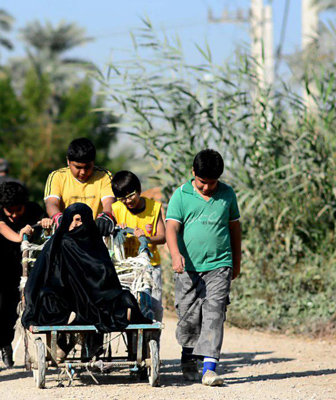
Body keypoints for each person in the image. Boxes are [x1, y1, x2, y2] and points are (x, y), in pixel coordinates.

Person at [22, 203, 150, 359]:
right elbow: (40, 274)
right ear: (67, 221)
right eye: (75, 220)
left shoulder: (95, 244)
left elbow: (106, 275)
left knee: (125, 299)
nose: (78, 224)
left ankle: (101, 346)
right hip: (65, 294)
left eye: (82, 220)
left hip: (96, 295)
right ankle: (62, 344)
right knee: (47, 296)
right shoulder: (58, 243)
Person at [165, 149, 241, 387]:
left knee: (215, 312)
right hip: (187, 268)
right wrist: (175, 255)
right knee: (188, 317)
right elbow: (171, 228)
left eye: (212, 183)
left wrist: (236, 262)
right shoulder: (181, 195)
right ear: (193, 173)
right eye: (202, 182)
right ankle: (188, 357)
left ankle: (209, 368)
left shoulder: (228, 194)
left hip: (220, 264)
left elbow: (235, 230)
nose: (207, 187)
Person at [0, 182, 52, 373]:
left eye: (17, 210)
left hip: (20, 270)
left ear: (25, 204)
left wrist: (45, 223)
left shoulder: (33, 210)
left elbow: (46, 229)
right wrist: (20, 236)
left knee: (13, 312)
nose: (13, 215)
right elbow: (3, 228)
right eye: (9, 211)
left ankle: (5, 343)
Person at [111, 171, 166, 324]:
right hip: (126, 267)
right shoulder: (116, 209)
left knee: (154, 307)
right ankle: (133, 344)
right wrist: (116, 228)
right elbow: (108, 233)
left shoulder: (154, 208)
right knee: (128, 308)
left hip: (150, 266)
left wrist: (145, 238)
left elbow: (162, 236)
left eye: (130, 196)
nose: (128, 201)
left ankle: (152, 342)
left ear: (139, 190)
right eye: (122, 198)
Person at [43, 137, 116, 235]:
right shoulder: (57, 176)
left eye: (87, 167)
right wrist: (58, 217)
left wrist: (106, 215)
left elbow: (109, 203)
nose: (83, 172)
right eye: (78, 167)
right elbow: (51, 204)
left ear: (93, 162)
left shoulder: (104, 176)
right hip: (67, 235)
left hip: (95, 236)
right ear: (68, 161)